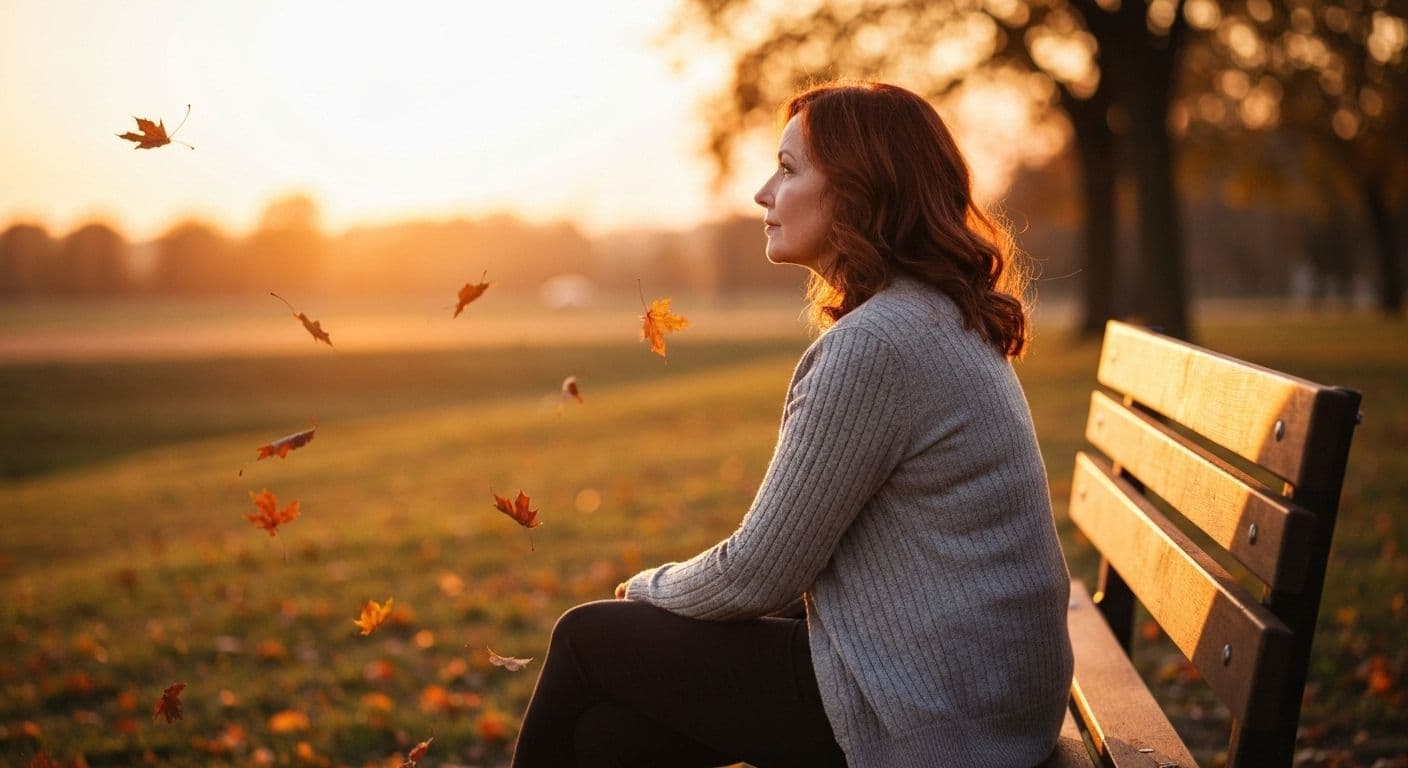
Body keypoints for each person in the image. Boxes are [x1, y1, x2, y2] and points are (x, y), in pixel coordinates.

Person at [511, 81, 1073, 768]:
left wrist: (645, 591)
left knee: (585, 637)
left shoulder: (879, 344)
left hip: (936, 718)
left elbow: (757, 575)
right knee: (608, 739)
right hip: (977, 697)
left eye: (787, 169)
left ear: (859, 191)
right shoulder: (933, 317)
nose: (761, 194)